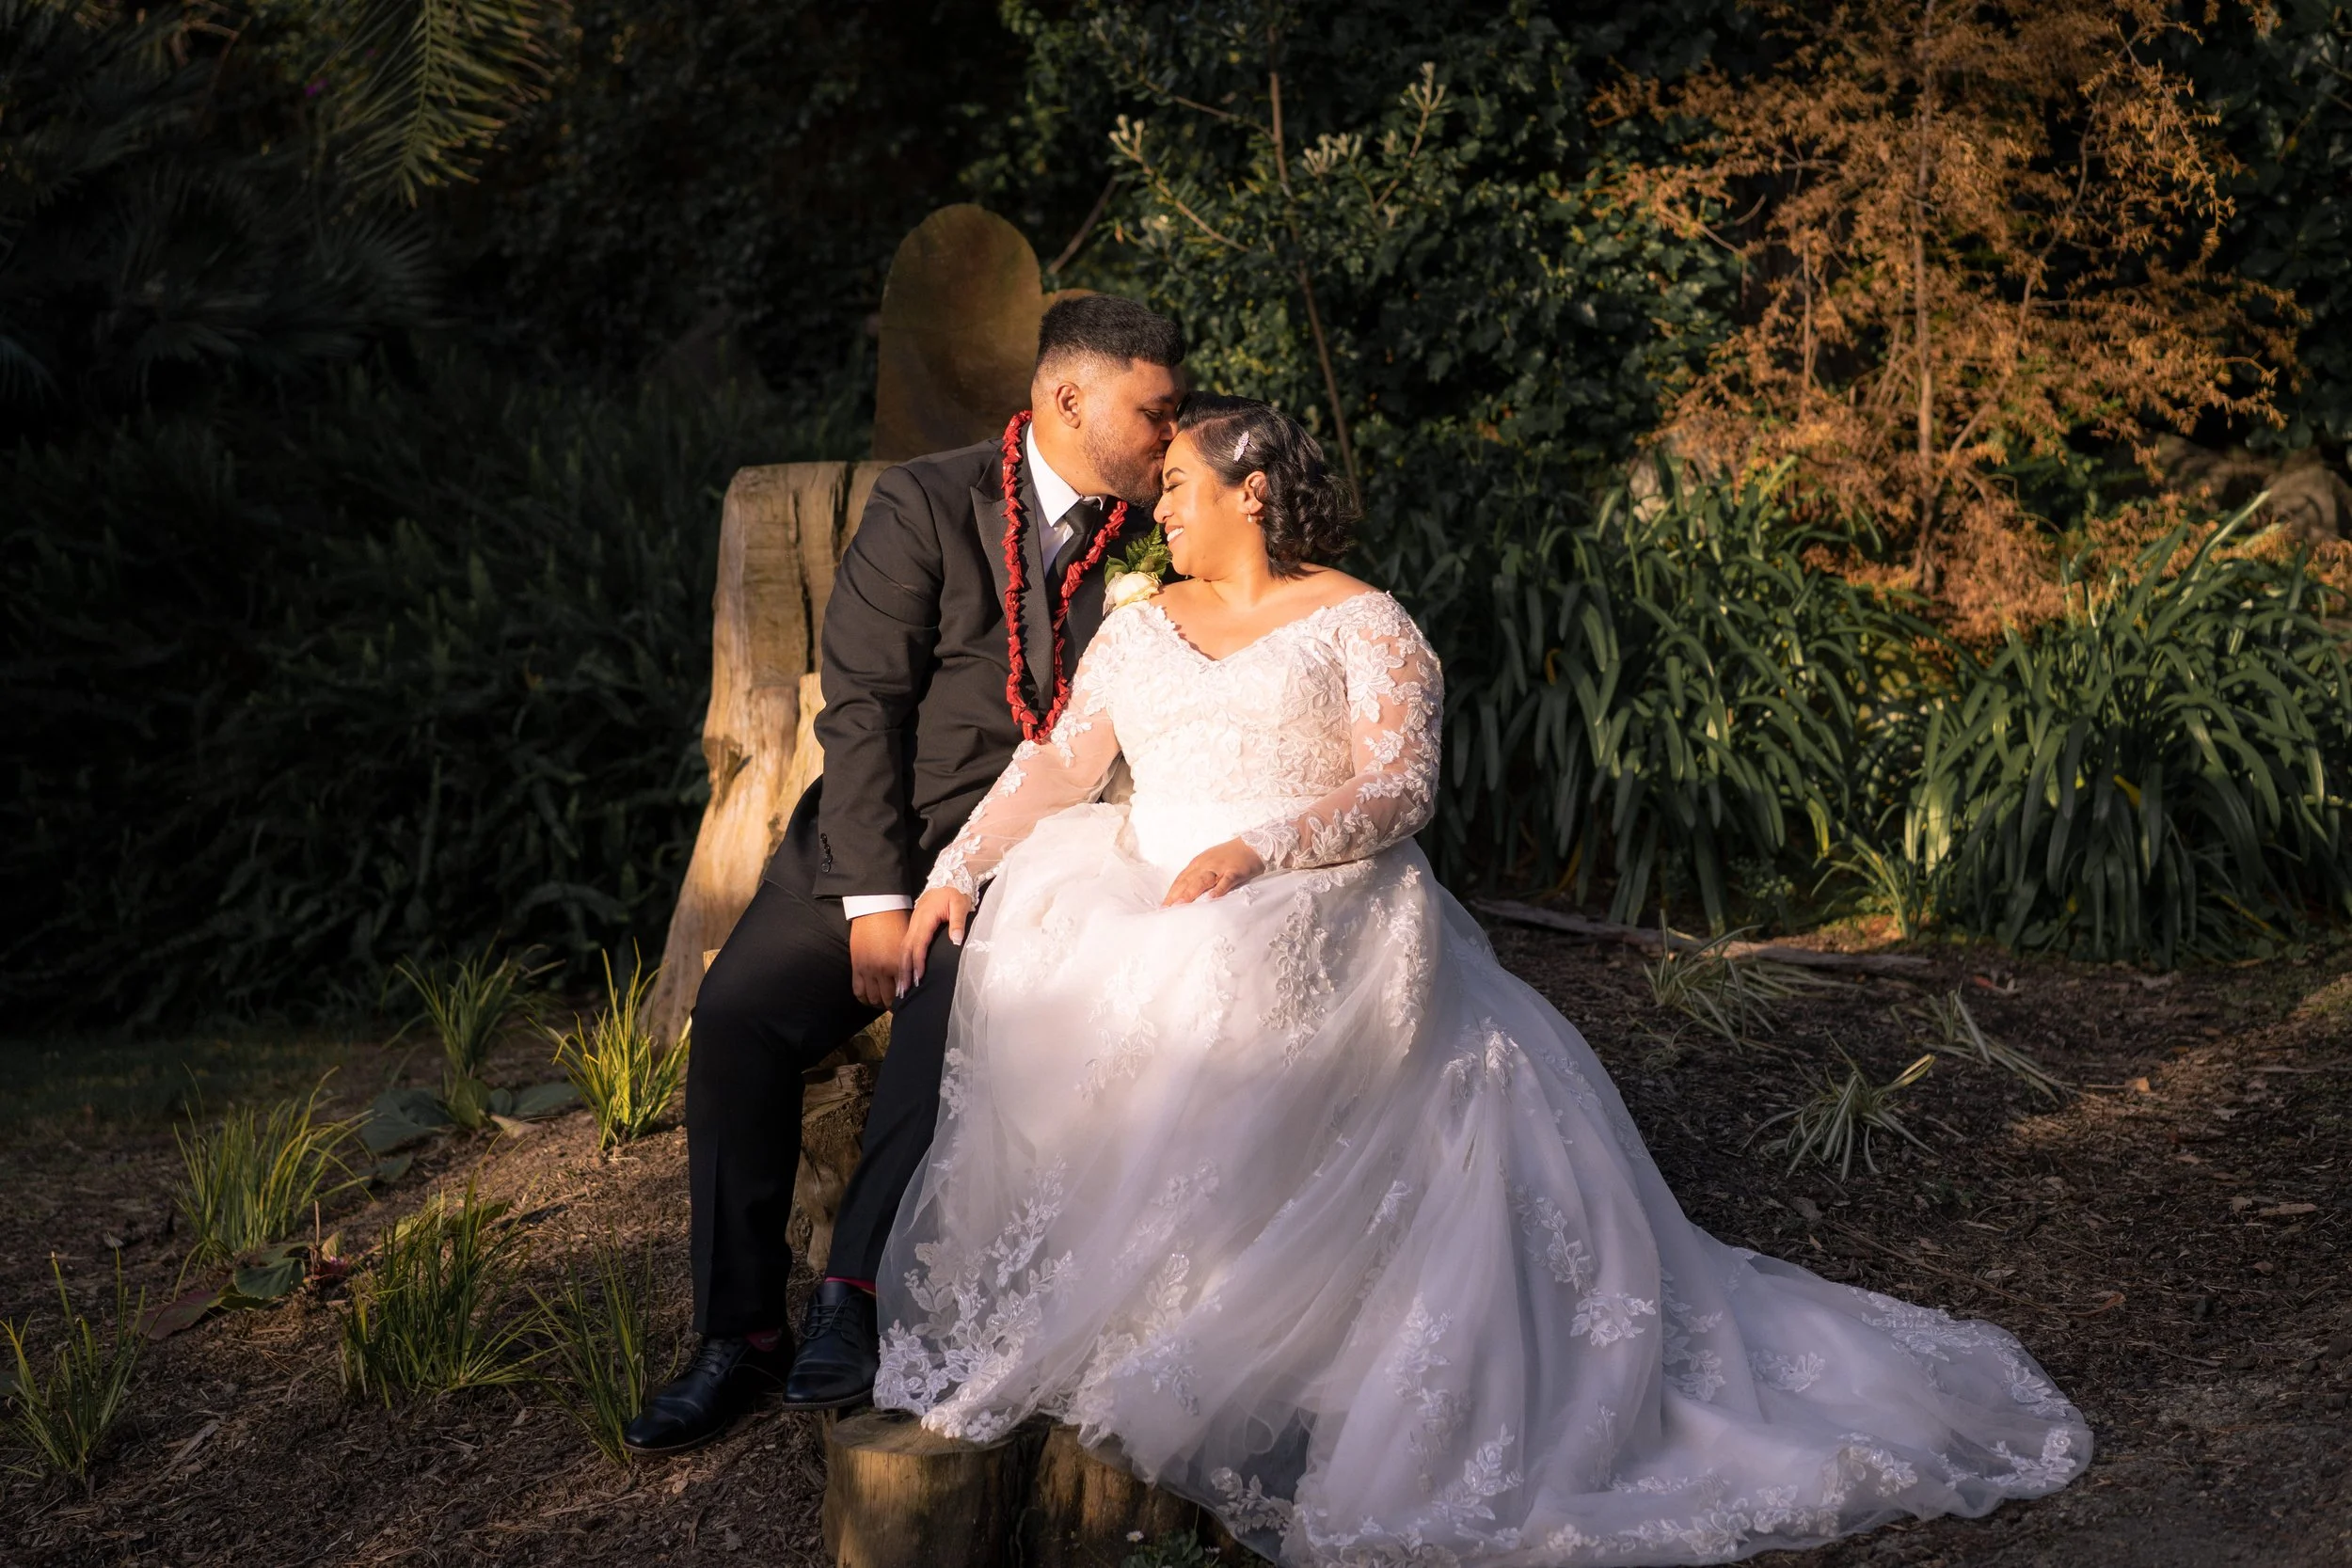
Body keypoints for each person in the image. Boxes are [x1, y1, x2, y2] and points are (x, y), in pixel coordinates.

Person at [870, 393, 2091, 1563]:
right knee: (1079, 961)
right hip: (1159, 876)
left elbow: (1400, 787)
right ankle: (1142, 1318)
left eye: (1180, 485)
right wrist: (959, 869)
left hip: (1316, 883)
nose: (1159, 510)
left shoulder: (1366, 622)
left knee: (1229, 976)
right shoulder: (1138, 626)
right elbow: (1051, 771)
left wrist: (1260, 846)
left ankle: (1249, 1338)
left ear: (1251, 490)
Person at [621, 295, 1186, 1454]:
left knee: (949, 1021)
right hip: (875, 838)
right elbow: (864, 708)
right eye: (1154, 410)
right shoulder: (928, 500)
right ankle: (738, 1334)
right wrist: (876, 904)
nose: (1172, 437)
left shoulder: (1164, 525)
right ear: (1069, 398)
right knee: (734, 1018)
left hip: (1036, 852)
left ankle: (856, 1294)